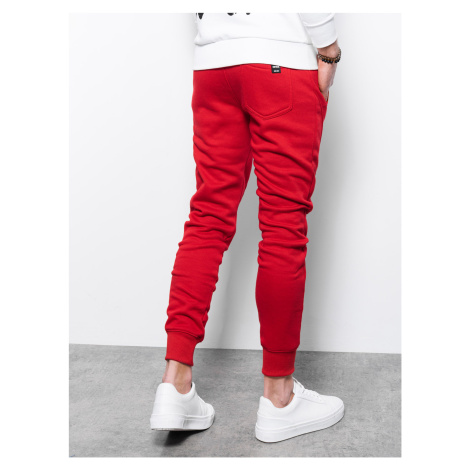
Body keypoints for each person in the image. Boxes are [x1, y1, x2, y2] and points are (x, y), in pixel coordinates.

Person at [150, 13, 344, 443]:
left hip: (214, 65)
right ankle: (279, 398)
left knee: (208, 216)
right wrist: (329, 50)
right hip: (281, 63)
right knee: (283, 225)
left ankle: (175, 383)